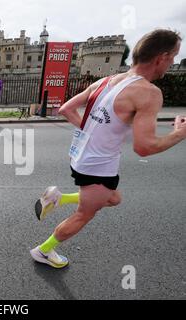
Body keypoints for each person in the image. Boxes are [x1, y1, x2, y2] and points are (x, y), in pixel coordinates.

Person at [31, 29, 186, 269]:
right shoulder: (148, 93)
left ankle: (58, 198)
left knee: (113, 198)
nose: (174, 61)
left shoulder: (106, 81)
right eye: (174, 55)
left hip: (80, 157)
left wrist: (91, 131)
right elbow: (144, 147)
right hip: (98, 166)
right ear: (161, 57)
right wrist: (180, 134)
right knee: (84, 215)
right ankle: (43, 250)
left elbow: (65, 109)